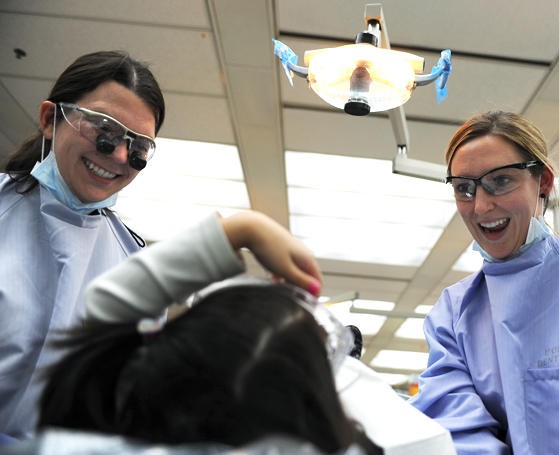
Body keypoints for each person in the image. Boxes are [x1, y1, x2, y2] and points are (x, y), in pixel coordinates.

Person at [0, 50, 321, 441]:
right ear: (51, 119)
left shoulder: (129, 254)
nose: (119, 155)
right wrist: (239, 231)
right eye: (104, 129)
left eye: (138, 149)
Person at [22, 213, 454, 454]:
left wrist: (243, 230)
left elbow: (105, 318)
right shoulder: (382, 438)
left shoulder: (119, 435)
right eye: (325, 346)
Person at [409, 110, 559, 454]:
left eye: (500, 181)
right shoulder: (453, 315)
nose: (482, 206)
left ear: (543, 181)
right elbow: (459, 433)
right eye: (464, 189)